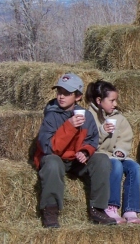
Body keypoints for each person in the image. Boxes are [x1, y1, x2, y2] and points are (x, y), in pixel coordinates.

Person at [33, 73, 114, 228]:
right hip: (56, 158)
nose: (61, 97)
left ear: (77, 97)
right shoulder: (51, 115)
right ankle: (50, 210)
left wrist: (85, 152)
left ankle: (97, 209)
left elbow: (92, 140)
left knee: (102, 159)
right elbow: (49, 148)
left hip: (75, 160)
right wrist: (69, 126)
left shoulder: (87, 116)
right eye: (59, 92)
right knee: (52, 163)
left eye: (67, 93)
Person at [85, 79, 140, 225]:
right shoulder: (88, 116)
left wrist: (121, 152)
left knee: (134, 167)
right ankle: (110, 207)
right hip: (98, 156)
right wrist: (102, 132)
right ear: (99, 100)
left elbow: (125, 138)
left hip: (114, 155)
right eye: (111, 100)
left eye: (115, 100)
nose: (115, 104)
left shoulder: (119, 118)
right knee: (115, 166)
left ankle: (131, 209)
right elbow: (87, 141)